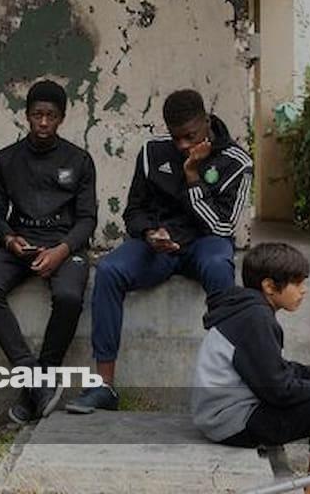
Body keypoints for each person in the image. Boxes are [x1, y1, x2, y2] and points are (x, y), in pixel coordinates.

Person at [66, 89, 252, 413]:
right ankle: (103, 386)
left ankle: (225, 389)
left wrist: (192, 176)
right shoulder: (153, 152)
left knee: (219, 267)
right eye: (175, 137)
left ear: (206, 122)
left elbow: (222, 226)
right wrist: (149, 233)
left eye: (190, 136)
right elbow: (133, 211)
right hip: (159, 245)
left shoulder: (236, 162)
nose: (182, 145)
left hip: (204, 242)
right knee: (109, 270)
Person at [191, 243, 310, 494]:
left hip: (225, 416)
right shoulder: (255, 319)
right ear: (269, 286)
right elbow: (280, 391)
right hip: (234, 422)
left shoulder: (248, 311)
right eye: (297, 283)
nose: (304, 290)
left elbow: (277, 371)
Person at [0, 80, 97, 425]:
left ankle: (42, 377)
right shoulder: (6, 159)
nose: (43, 122)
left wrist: (61, 251)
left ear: (62, 118)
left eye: (51, 116)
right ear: (26, 115)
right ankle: (33, 376)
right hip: (21, 243)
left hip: (64, 243)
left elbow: (87, 219)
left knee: (69, 296)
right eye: (37, 115)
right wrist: (9, 239)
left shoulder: (79, 160)